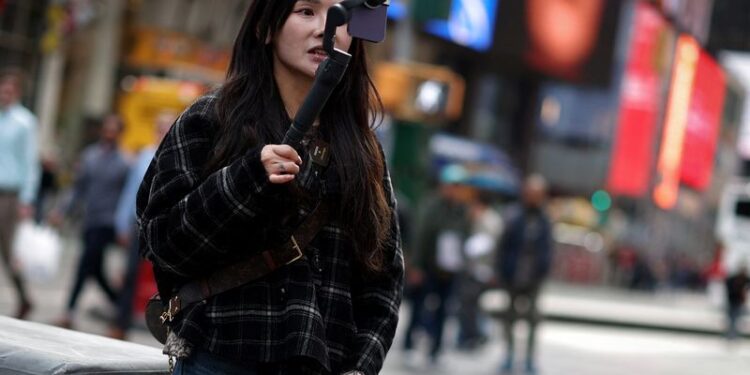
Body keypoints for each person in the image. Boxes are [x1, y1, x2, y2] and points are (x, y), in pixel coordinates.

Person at [136, 1, 403, 374]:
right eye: (306, 11)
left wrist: (361, 366)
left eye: (339, 13)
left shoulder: (363, 149)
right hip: (222, 357)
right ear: (266, 28)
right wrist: (246, 179)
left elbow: (383, 277)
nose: (324, 28)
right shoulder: (211, 119)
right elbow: (164, 244)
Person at [51, 115, 130, 329]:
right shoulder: (90, 156)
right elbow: (77, 188)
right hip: (88, 220)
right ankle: (120, 304)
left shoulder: (124, 163)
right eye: (107, 129)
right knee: (95, 269)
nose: (109, 133)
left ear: (120, 133)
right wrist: (61, 210)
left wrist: (123, 224)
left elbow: (128, 196)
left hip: (106, 223)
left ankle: (69, 310)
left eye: (114, 130)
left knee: (85, 265)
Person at [108, 111, 175, 340]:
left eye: (167, 128)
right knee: (130, 274)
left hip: (167, 227)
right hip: (139, 223)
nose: (163, 133)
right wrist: (121, 223)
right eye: (160, 128)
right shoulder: (145, 155)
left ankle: (170, 326)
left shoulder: (178, 156)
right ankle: (120, 322)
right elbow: (131, 192)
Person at [402, 164, 471, 366]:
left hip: (450, 270)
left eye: (458, 186)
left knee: (444, 311)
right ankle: (409, 345)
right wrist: (416, 266)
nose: (454, 189)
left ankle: (435, 350)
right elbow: (420, 237)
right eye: (452, 185)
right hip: (428, 267)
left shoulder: (462, 211)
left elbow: (464, 239)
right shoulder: (431, 207)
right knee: (418, 307)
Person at [495, 174, 553, 375]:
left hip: (533, 278)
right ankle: (509, 356)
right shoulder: (514, 216)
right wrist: (501, 271)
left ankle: (529, 359)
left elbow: (548, 249)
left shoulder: (545, 220)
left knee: (533, 320)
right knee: (509, 319)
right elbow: (502, 246)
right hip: (513, 275)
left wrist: (543, 270)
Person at [0, 67, 40, 320]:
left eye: (9, 90)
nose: (4, 93)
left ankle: (25, 298)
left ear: (17, 93)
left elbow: (30, 162)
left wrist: (27, 199)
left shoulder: (25, 122)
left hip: (10, 195)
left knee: (8, 251)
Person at [725, 264, 749, 341]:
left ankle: (733, 335)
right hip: (732, 302)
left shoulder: (743, 279)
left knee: (735, 319)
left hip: (738, 302)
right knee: (732, 319)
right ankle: (731, 336)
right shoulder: (733, 280)